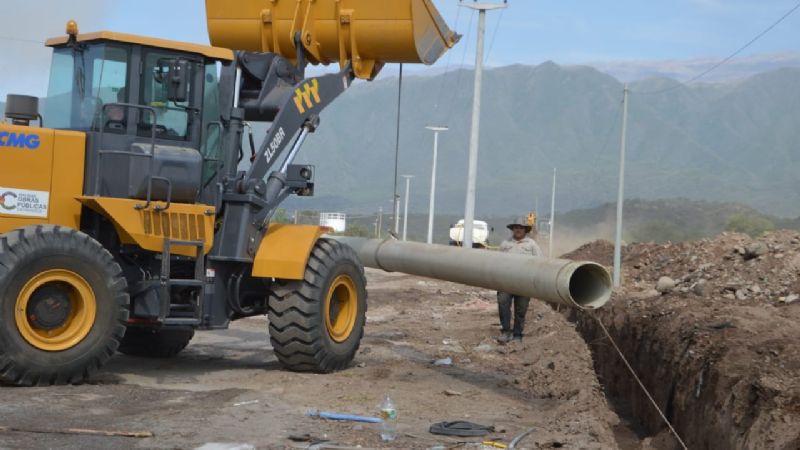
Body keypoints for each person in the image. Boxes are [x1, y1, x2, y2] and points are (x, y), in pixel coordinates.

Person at [496, 217, 542, 343]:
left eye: (521, 227)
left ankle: (517, 334)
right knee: (503, 303)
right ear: (512, 229)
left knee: (521, 309)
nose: (518, 230)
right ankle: (506, 331)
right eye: (516, 227)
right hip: (506, 281)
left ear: (525, 230)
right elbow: (497, 261)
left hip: (524, 283)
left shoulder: (532, 245)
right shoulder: (505, 244)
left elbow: (539, 263)